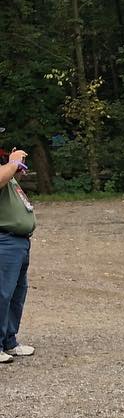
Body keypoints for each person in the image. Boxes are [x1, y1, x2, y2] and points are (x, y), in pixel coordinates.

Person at [0, 143, 36, 364]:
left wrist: (15, 169)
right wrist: (13, 163)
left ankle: (9, 341)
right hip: (4, 241)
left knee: (16, 294)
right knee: (2, 294)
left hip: (18, 242)